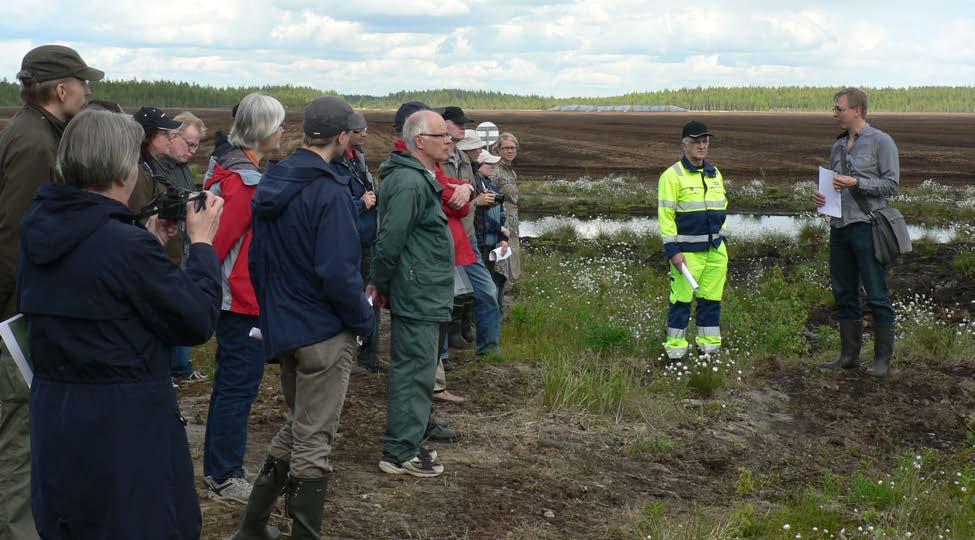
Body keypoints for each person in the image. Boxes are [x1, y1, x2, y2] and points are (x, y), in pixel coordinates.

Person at [17, 108, 224, 538]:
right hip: (125, 429)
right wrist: (201, 245)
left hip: (58, 415)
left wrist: (144, 241)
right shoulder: (125, 249)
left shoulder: (40, 227)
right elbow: (196, 320)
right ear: (121, 170)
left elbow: (93, 290)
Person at [238, 96, 375, 540]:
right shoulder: (328, 191)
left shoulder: (273, 181)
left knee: (299, 428)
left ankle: (253, 528)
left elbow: (256, 262)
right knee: (315, 441)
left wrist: (274, 316)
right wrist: (364, 323)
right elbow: (338, 271)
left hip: (287, 329)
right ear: (341, 137)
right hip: (323, 333)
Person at [0, 44, 102, 540]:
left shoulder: (37, 132)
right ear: (61, 90)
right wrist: (25, 314)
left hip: (20, 308)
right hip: (17, 316)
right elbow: (18, 236)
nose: (88, 91)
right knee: (17, 439)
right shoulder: (37, 144)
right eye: (84, 83)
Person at [202, 92, 286, 502]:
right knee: (237, 387)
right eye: (278, 124)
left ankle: (221, 467)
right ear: (262, 130)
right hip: (241, 302)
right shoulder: (243, 182)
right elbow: (214, 245)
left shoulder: (231, 169)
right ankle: (223, 474)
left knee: (232, 386)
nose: (284, 131)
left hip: (240, 299)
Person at [369, 109, 454, 478]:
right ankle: (399, 452)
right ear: (421, 141)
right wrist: (379, 283)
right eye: (442, 136)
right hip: (418, 291)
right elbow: (390, 241)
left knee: (419, 369)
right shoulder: (408, 182)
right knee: (414, 372)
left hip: (425, 289)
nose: (449, 141)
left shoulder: (418, 177)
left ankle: (409, 443)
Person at [814, 87, 899, 377]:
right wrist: (821, 199)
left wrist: (856, 182)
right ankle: (848, 356)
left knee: (876, 293)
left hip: (867, 226)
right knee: (844, 293)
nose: (834, 113)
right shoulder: (837, 146)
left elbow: (891, 185)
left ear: (857, 111)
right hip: (839, 227)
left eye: (839, 109)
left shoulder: (881, 142)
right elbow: (834, 185)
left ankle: (881, 361)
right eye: (835, 108)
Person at [657, 121, 729, 361]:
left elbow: (722, 209)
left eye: (705, 141)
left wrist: (723, 240)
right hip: (687, 255)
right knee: (681, 303)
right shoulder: (671, 176)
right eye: (696, 141)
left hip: (716, 251)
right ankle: (675, 354)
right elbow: (666, 218)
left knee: (711, 302)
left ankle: (708, 351)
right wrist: (673, 251)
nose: (702, 145)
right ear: (685, 144)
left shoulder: (714, 173)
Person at [337, 111, 385, 373]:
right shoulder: (337, 164)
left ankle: (370, 354)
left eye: (365, 128)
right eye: (359, 130)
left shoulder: (359, 160)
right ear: (346, 134)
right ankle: (350, 356)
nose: (365, 133)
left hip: (368, 239)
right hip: (351, 241)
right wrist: (361, 203)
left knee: (370, 296)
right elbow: (337, 208)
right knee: (352, 298)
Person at [489, 132, 522, 314]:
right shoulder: (495, 171)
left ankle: (499, 310)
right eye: (506, 148)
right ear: (498, 149)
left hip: (513, 226)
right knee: (499, 271)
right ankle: (495, 312)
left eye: (512, 147)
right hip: (501, 227)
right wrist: (499, 228)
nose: (510, 151)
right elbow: (490, 201)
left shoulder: (511, 171)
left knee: (506, 271)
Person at [472, 150, 510, 279]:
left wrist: (503, 239)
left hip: (489, 241)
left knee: (489, 277)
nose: (493, 166)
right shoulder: (476, 185)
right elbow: (478, 215)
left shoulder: (488, 185)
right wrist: (500, 229)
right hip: (481, 240)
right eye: (489, 163)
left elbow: (500, 214)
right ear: (479, 165)